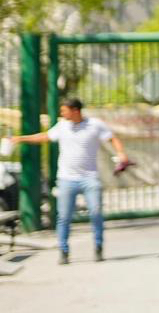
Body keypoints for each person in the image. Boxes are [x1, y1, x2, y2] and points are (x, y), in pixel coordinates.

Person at [8, 98, 128, 264]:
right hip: (66, 179)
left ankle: (98, 246)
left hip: (90, 178)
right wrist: (21, 139)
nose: (62, 113)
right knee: (63, 217)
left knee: (95, 212)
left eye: (64, 110)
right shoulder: (62, 126)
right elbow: (45, 136)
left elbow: (112, 138)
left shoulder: (95, 125)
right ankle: (63, 251)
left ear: (75, 110)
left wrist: (121, 153)